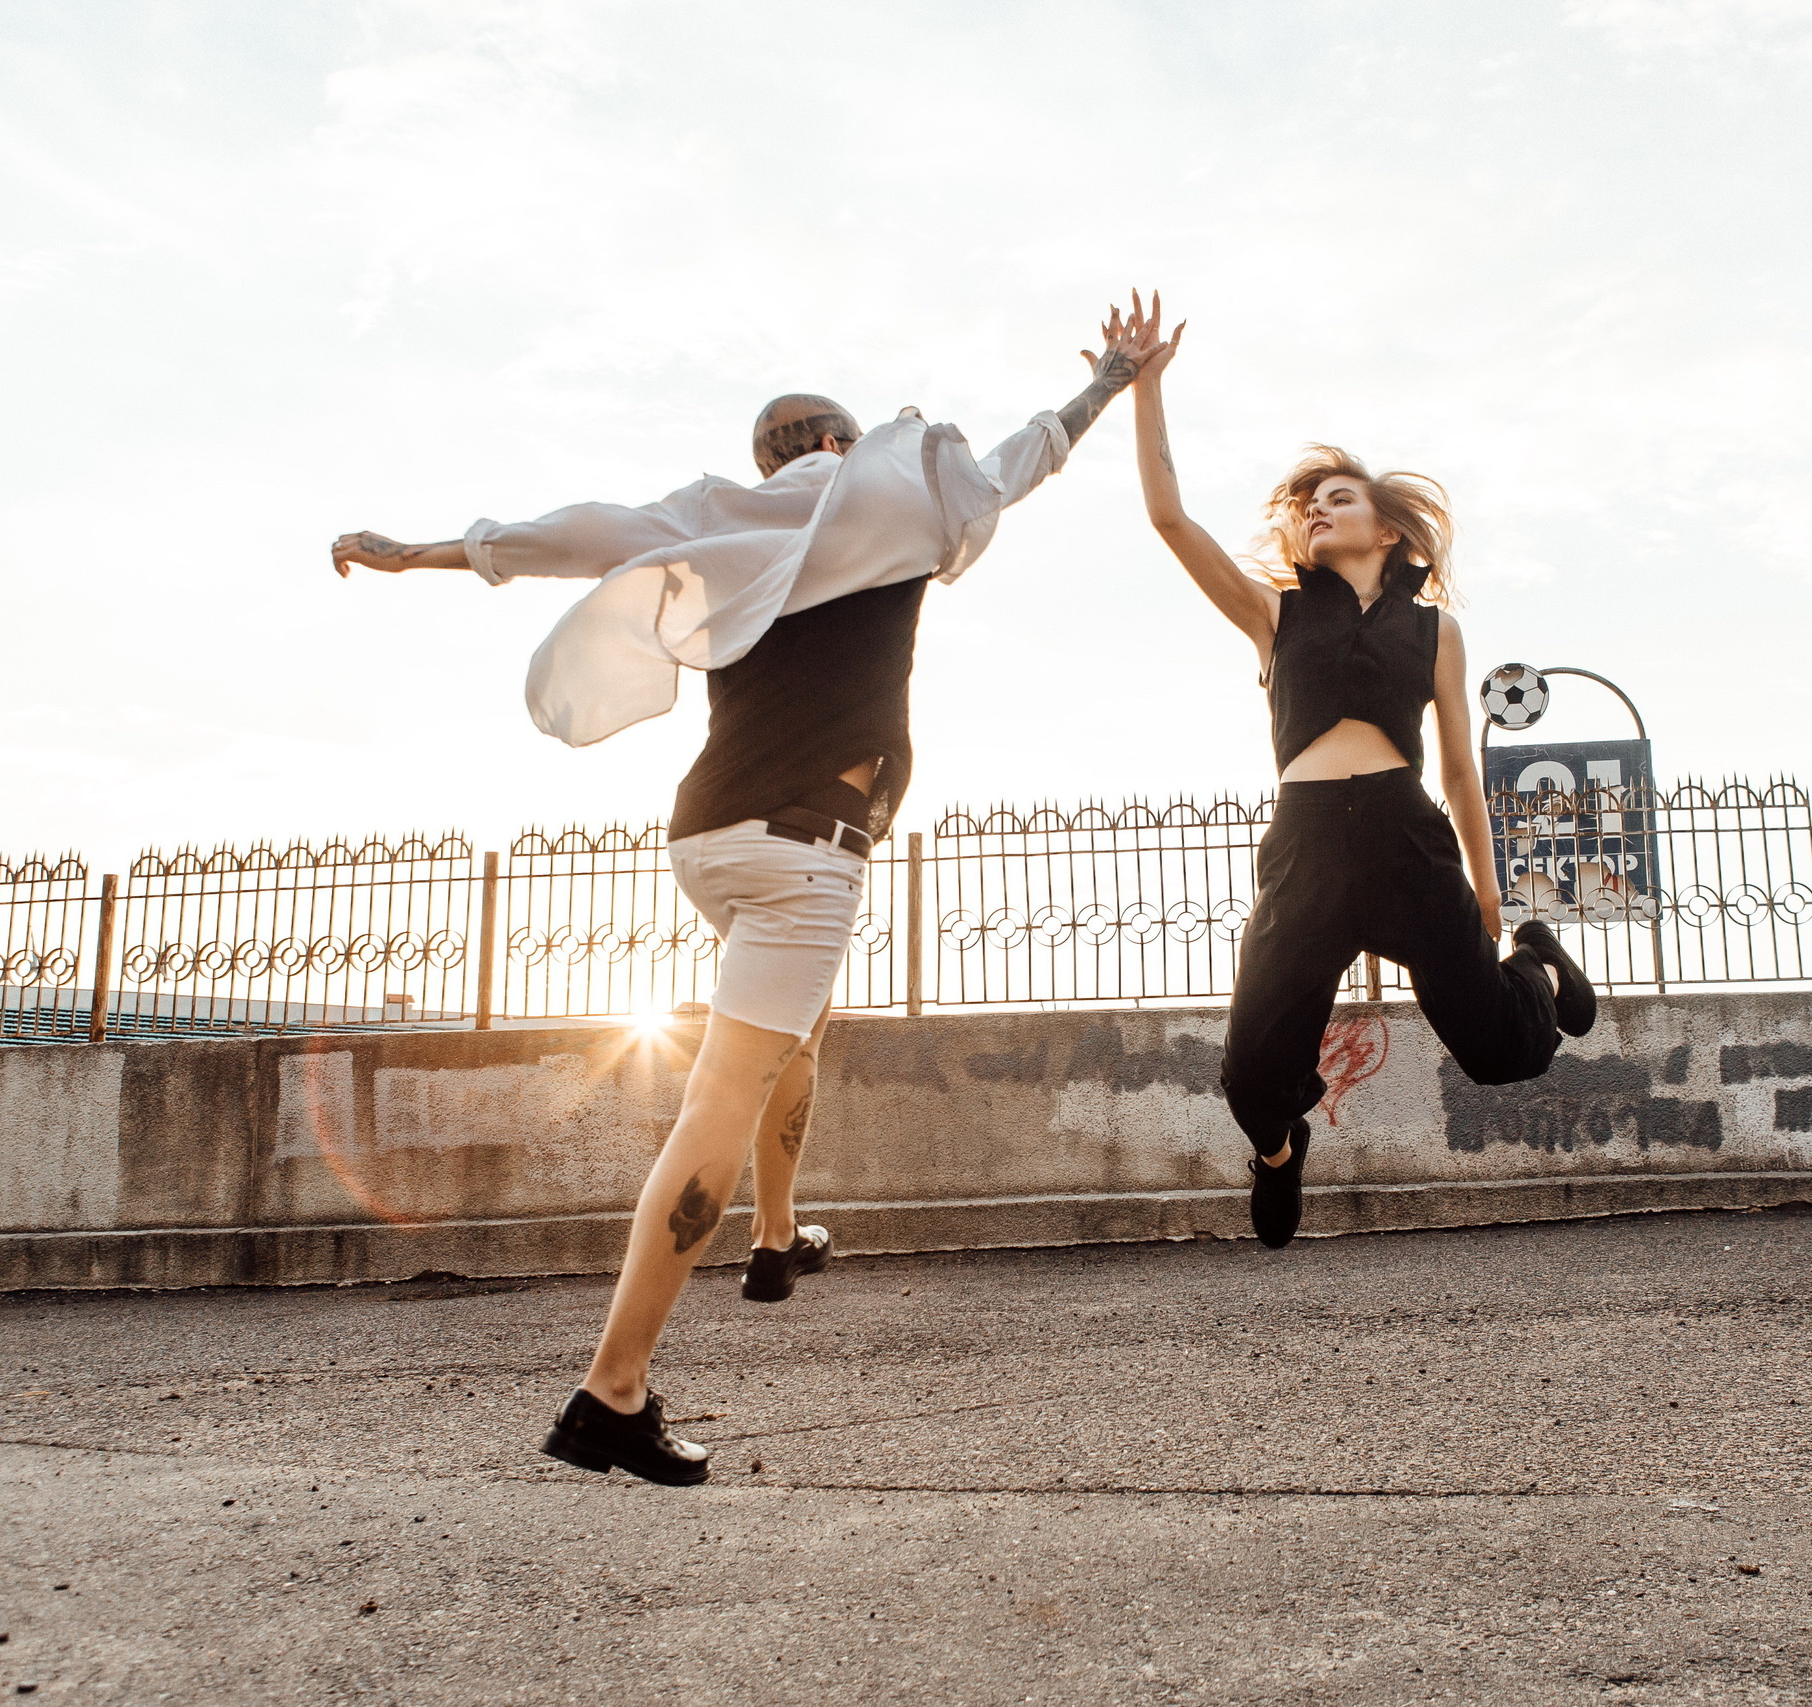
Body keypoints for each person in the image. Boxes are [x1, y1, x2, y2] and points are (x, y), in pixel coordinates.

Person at [329, 299, 1154, 1484]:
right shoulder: (891, 491)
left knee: (788, 1039)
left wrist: (418, 552)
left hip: (708, 837)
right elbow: (1023, 458)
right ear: (841, 441)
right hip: (805, 852)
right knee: (719, 1099)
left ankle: (774, 1235)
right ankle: (610, 1393)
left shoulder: (712, 515)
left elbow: (567, 534)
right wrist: (1113, 378)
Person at [1123, 296, 1598, 1250]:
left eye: (1338, 497)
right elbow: (1170, 519)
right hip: (1303, 845)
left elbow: (1461, 768)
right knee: (1251, 1071)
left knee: (1505, 1052)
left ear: (1387, 530)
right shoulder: (1278, 616)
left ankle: (1538, 964)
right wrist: (1146, 389)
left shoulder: (1436, 631)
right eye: (1309, 502)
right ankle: (1278, 1150)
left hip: (1405, 836)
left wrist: (1490, 886)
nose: (1315, 508)